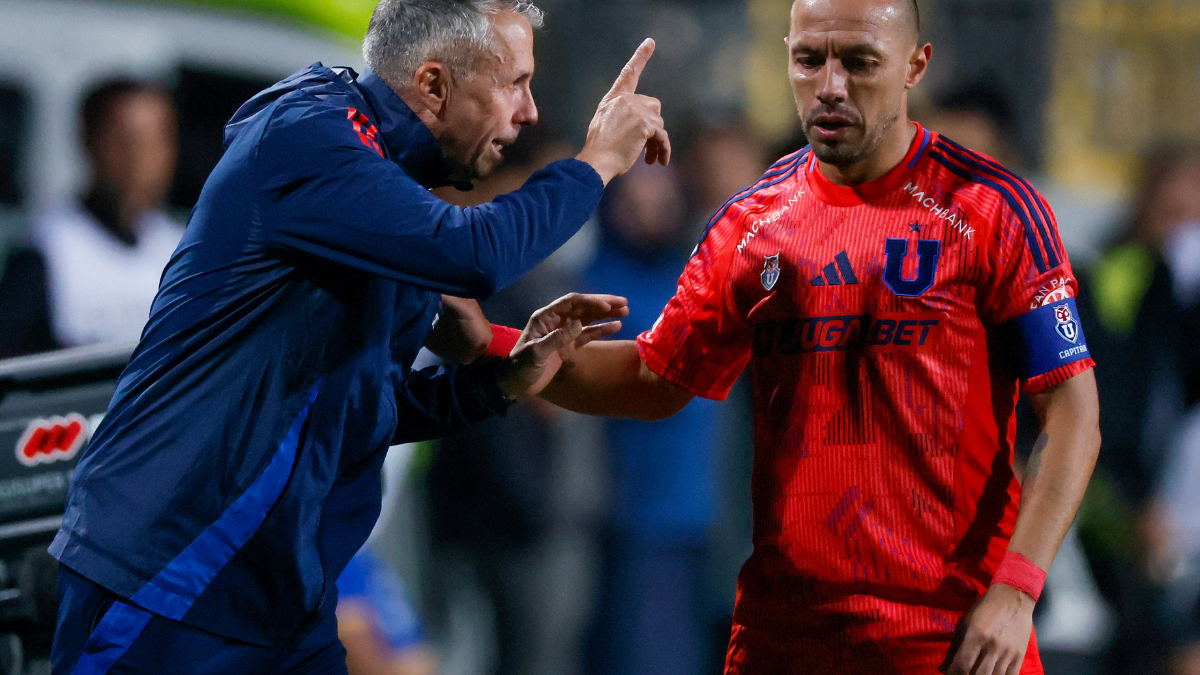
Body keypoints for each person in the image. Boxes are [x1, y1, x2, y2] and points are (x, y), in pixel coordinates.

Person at [48, 0, 669, 672]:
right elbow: (476, 253)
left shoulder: (384, 189)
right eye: (513, 83)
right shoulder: (310, 136)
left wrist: (497, 380)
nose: (530, 113)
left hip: (283, 600)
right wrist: (597, 162)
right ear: (434, 84)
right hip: (168, 576)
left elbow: (357, 407)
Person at [525, 0, 1102, 673]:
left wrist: (1017, 589)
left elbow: (1073, 412)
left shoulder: (993, 208)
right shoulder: (755, 218)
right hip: (785, 638)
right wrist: (497, 351)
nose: (830, 84)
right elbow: (656, 377)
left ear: (916, 66)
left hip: (949, 636)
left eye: (859, 62)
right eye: (808, 60)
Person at [581, 161, 726, 675]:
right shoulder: (595, 290)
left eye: (661, 198)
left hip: (709, 517)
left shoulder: (693, 274)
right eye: (635, 201)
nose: (651, 212)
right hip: (635, 519)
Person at [0, 78, 182, 358]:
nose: (141, 161)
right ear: (89, 142)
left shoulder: (184, 250)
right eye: (126, 142)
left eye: (155, 142)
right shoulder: (45, 250)